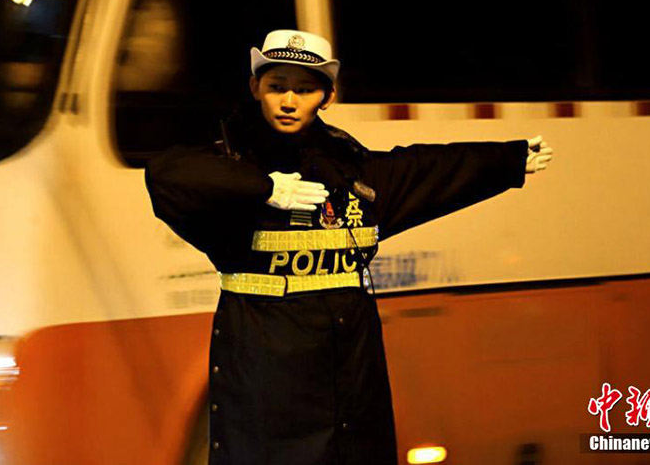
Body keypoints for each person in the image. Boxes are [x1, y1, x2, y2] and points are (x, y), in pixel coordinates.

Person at [145, 29, 553, 465]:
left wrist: (507, 160)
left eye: (305, 90)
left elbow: (426, 169)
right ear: (255, 88)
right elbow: (166, 175)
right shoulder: (230, 163)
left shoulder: (350, 170)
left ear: (328, 96)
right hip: (267, 383)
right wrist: (264, 188)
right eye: (277, 86)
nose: (289, 101)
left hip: (350, 382)